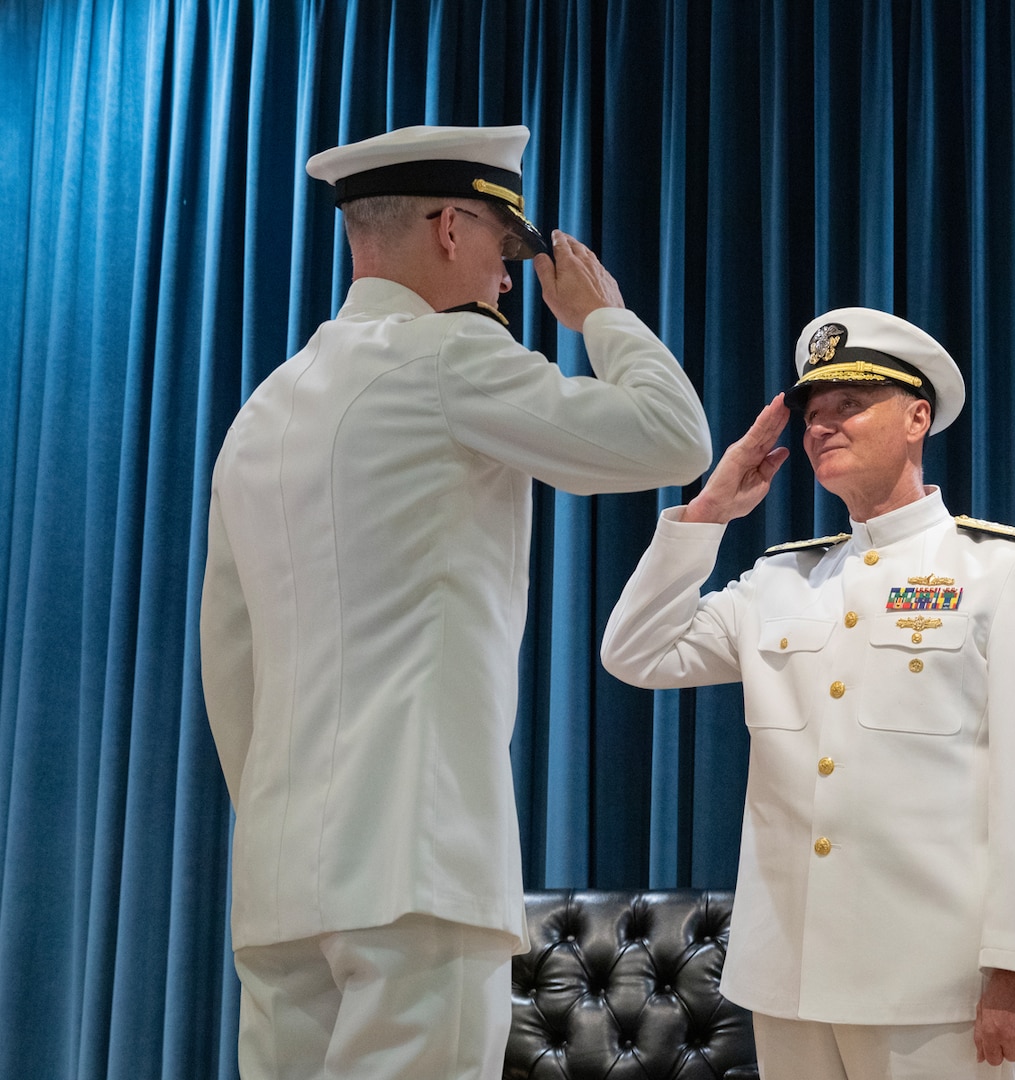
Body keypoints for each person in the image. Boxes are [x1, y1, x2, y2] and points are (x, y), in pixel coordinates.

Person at [199, 124, 712, 1080]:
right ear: (448, 227)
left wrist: (291, 814)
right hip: (415, 864)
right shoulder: (445, 358)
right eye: (503, 249)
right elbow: (673, 436)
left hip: (279, 879)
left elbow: (230, 665)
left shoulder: (261, 410)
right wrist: (605, 316)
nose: (511, 280)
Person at [600, 307, 1015, 1079]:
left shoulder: (999, 573)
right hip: (789, 977)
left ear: (916, 418)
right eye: (813, 413)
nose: (824, 426)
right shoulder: (781, 581)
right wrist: (706, 515)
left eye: (849, 405)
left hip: (933, 984)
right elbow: (635, 651)